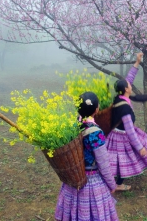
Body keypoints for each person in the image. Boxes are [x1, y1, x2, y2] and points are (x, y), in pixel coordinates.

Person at [55, 92, 118, 221]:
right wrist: (112, 185)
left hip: (74, 181)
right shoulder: (95, 133)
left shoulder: (71, 128)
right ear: (96, 109)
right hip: (92, 183)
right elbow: (103, 163)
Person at [106, 52, 147, 191]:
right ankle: (118, 184)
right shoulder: (125, 109)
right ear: (126, 89)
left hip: (114, 134)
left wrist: (137, 62)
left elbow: (129, 78)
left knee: (115, 160)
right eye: (129, 84)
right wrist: (141, 148)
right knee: (122, 160)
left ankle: (113, 181)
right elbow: (130, 132)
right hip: (121, 137)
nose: (130, 84)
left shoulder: (120, 97)